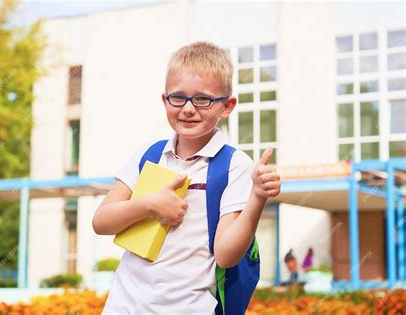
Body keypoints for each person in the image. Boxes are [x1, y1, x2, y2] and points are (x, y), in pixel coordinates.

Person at [92, 41, 281, 314]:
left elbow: (226, 256)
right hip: (124, 305)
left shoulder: (234, 165)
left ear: (226, 106)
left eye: (202, 99)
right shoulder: (149, 154)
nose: (188, 108)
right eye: (178, 97)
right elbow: (101, 222)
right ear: (164, 100)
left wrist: (258, 198)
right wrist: (149, 204)